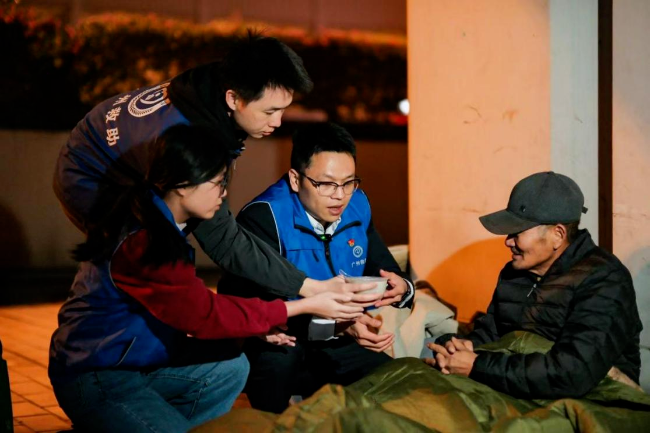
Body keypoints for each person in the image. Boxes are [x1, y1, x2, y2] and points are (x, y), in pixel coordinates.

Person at [48, 124, 369, 433]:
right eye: (217, 183)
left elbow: (200, 305)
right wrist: (304, 305)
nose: (224, 194)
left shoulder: (164, 225)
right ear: (183, 185)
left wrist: (260, 325)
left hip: (143, 366)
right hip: (98, 376)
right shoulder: (143, 243)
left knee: (230, 368)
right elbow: (204, 314)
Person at [52, 31, 372, 312]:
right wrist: (307, 287)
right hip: (91, 176)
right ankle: (98, 347)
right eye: (270, 111)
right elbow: (222, 239)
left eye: (284, 109)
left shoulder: (212, 86)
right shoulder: (195, 135)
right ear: (233, 98)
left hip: (109, 151)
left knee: (167, 259)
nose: (278, 122)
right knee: (144, 266)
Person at [218, 123, 414, 413]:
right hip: (281, 339)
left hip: (340, 336)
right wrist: (340, 326)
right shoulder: (265, 217)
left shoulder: (357, 204)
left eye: (348, 182)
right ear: (295, 179)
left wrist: (403, 288)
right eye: (326, 184)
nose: (340, 196)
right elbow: (253, 306)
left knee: (397, 382)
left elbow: (383, 265)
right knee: (278, 363)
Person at [426, 171, 643, 399]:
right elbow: (492, 334)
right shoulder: (514, 274)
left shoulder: (604, 280)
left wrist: (477, 366)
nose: (508, 242)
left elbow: (572, 373)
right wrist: (456, 348)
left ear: (557, 234)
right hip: (519, 385)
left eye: (517, 233)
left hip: (594, 397)